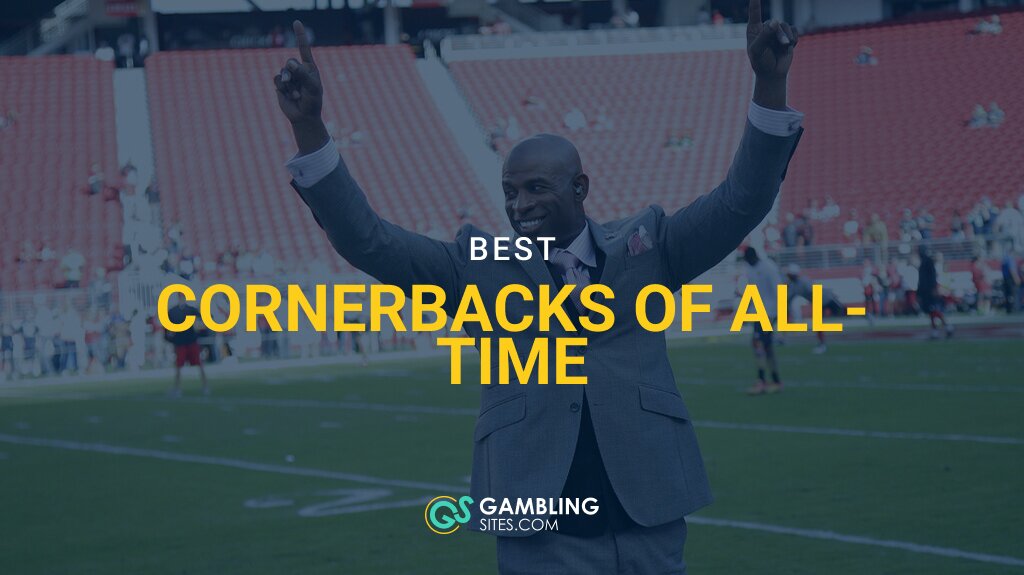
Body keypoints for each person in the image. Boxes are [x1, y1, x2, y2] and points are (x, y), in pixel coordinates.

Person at [273, 3, 802, 570]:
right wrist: (309, 128)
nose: (519, 206)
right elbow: (368, 241)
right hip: (540, 529)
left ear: (580, 187)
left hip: (649, 515)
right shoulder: (477, 266)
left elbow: (741, 200)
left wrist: (770, 84)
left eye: (536, 189)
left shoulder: (649, 247)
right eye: (510, 192)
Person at [742, 248, 784, 393]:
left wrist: (779, 313)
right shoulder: (750, 269)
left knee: (760, 345)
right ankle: (773, 380)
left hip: (769, 312)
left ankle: (764, 381)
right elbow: (751, 291)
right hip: (758, 312)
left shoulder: (769, 267)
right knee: (764, 347)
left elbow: (779, 289)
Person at [786, 263, 854, 353]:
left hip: (826, 298)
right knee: (818, 325)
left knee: (844, 312)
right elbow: (789, 298)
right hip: (818, 302)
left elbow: (815, 292)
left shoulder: (803, 281)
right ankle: (822, 345)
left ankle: (865, 313)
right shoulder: (794, 285)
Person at [163, 294, 209, 397]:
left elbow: (203, 320)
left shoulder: (190, 310)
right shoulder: (173, 311)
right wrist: (170, 338)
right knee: (179, 366)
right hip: (181, 342)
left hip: (190, 341)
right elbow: (166, 328)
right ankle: (177, 388)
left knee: (198, 364)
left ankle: (205, 386)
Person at [917, 245, 953, 338]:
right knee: (931, 312)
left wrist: (934, 289)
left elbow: (931, 277)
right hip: (926, 291)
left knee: (934, 310)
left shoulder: (928, 262)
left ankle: (947, 327)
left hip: (929, 291)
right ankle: (936, 330)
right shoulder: (924, 262)